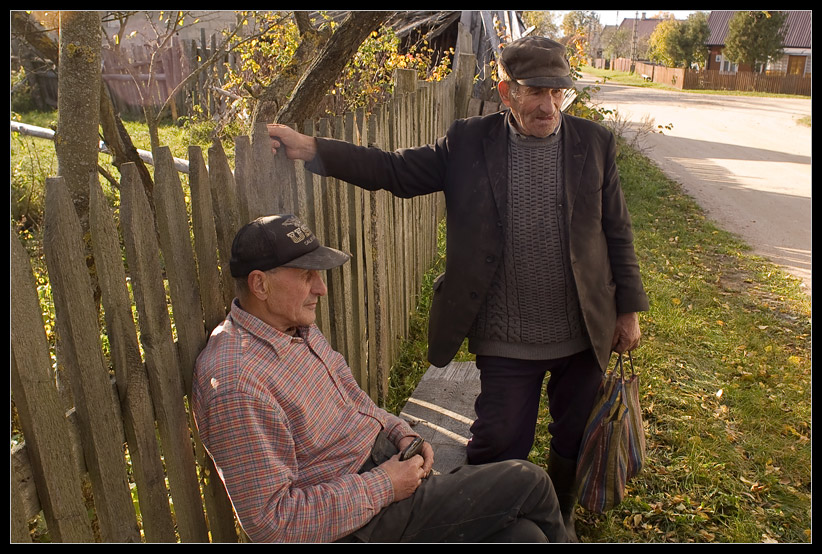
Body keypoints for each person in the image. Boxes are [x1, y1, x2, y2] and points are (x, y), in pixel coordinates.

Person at [267, 36, 649, 539]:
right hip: (506, 336)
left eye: (559, 93)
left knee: (574, 435)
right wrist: (314, 149)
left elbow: (616, 230)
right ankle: (496, 526)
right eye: (536, 92)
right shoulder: (470, 141)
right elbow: (395, 170)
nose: (549, 105)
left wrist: (628, 310)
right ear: (506, 90)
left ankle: (562, 517)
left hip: (582, 328)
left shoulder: (593, 143)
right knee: (498, 443)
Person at [192, 214, 571, 543]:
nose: (321, 288)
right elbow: (274, 524)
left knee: (525, 538)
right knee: (529, 481)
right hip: (357, 525)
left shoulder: (292, 328)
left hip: (383, 472)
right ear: (260, 285)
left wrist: (399, 432)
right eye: (307, 276)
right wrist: (386, 485)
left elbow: (354, 401)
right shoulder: (235, 382)